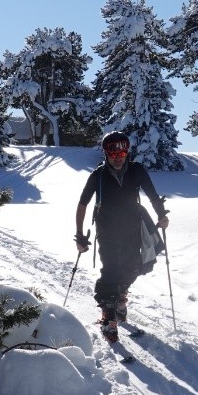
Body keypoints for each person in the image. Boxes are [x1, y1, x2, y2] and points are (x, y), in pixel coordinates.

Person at [75, 131, 169, 342]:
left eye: (122, 152)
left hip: (132, 228)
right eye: (113, 153)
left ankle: (119, 297)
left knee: (134, 266)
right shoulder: (98, 175)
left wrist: (162, 215)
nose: (118, 157)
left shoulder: (137, 171)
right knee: (111, 269)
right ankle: (109, 317)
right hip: (107, 230)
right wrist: (80, 235)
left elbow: (153, 195)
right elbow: (82, 204)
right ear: (106, 153)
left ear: (127, 152)